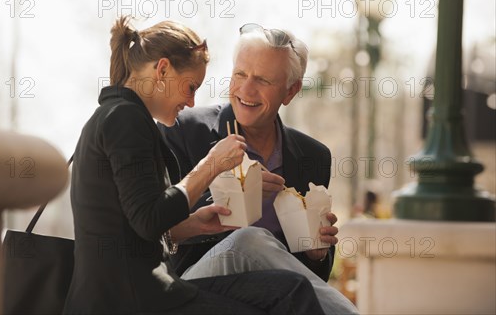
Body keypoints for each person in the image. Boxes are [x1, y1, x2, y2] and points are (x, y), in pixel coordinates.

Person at [62, 17, 326, 314]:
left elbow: (135, 227)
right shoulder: (125, 119)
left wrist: (193, 225)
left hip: (137, 291)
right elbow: (149, 218)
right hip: (133, 297)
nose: (191, 102)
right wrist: (211, 165)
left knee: (290, 290)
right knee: (286, 294)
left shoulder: (119, 116)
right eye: (190, 87)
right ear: (162, 70)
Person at [158, 23, 359, 314]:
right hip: (192, 289)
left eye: (263, 80)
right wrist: (228, 196)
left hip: (268, 299)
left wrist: (315, 253)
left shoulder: (313, 157)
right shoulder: (185, 131)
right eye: (240, 74)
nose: (246, 89)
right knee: (250, 239)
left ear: (290, 91)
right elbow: (154, 226)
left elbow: (306, 280)